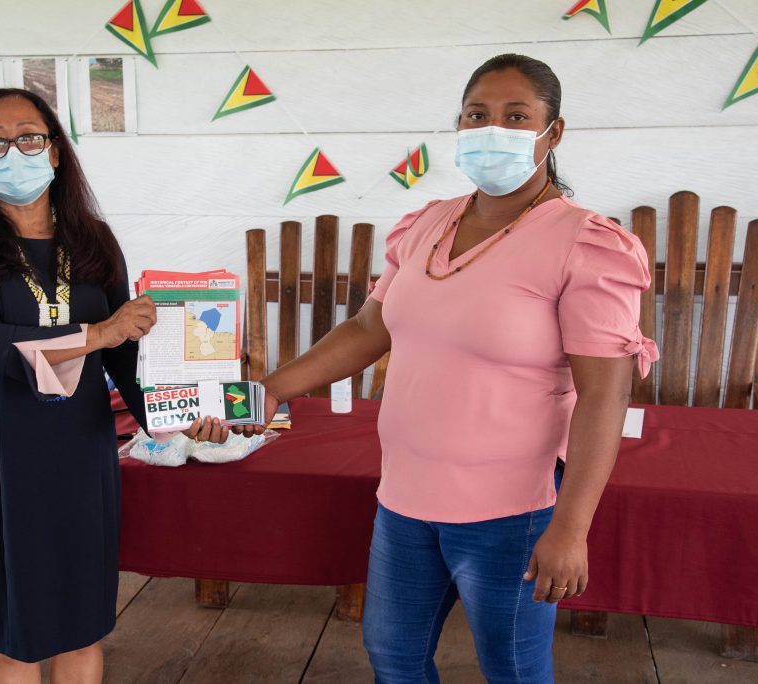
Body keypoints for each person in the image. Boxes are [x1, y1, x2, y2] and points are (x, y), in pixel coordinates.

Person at [235, 54, 659, 683]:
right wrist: (271, 390)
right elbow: (366, 330)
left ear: (554, 132)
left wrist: (571, 528)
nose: (494, 129)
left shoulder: (586, 244)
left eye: (517, 116)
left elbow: (604, 396)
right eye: (477, 114)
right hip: (404, 499)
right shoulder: (427, 224)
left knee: (511, 670)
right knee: (394, 659)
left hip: (512, 512)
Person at [0, 88, 226, 684]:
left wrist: (179, 416)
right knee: (18, 632)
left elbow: (127, 359)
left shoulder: (93, 240)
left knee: (83, 622)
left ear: (56, 151)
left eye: (30, 137)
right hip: (5, 451)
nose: (15, 151)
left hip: (82, 449)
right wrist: (99, 332)